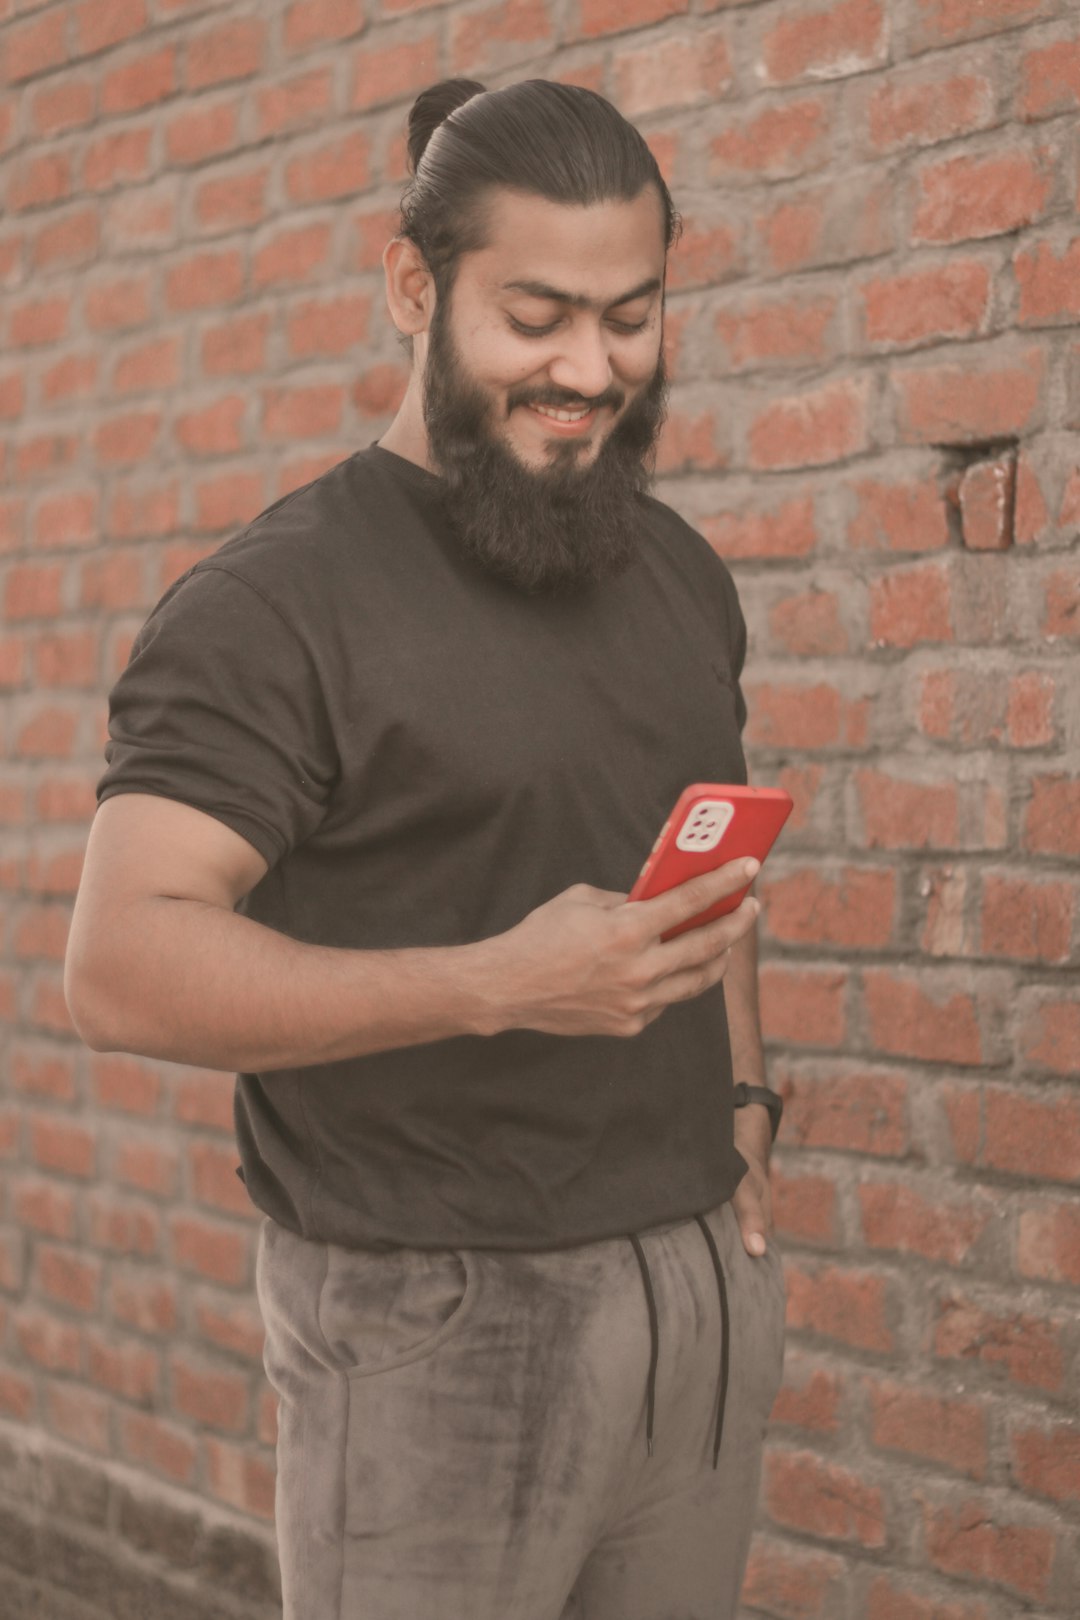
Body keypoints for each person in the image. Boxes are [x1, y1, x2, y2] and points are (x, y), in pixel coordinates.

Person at [65, 78, 786, 1620]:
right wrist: (499, 982)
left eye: (633, 316)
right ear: (413, 286)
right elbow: (122, 966)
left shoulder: (679, 570)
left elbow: (705, 866)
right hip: (435, 1322)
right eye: (537, 317)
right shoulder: (273, 604)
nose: (590, 369)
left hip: (697, 1300)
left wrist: (744, 1099)